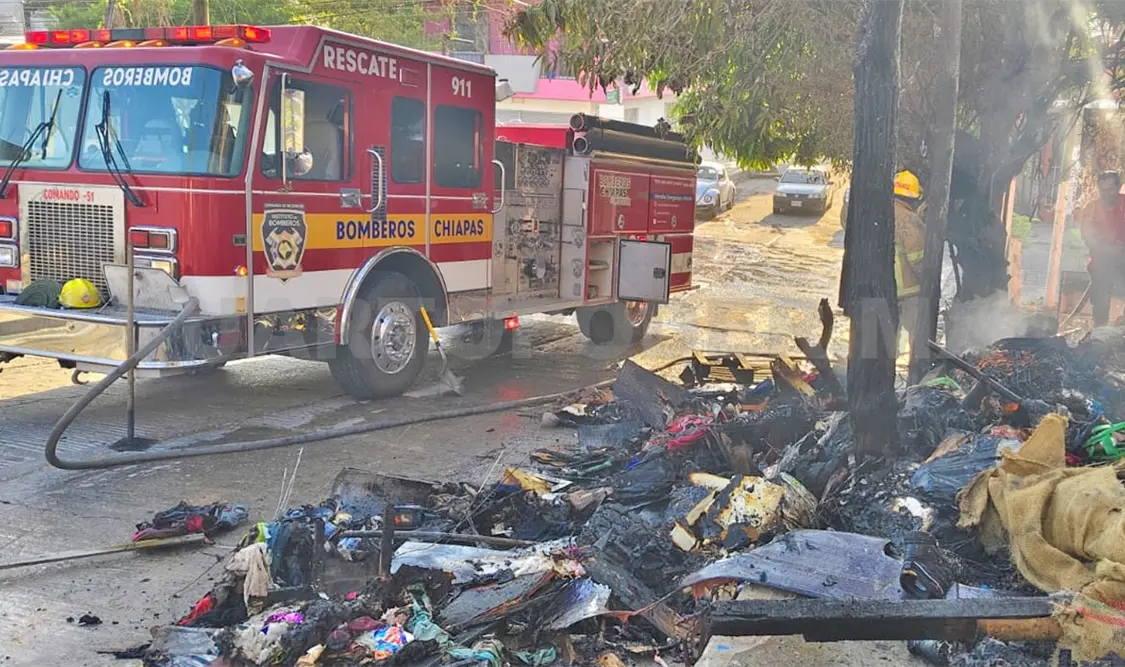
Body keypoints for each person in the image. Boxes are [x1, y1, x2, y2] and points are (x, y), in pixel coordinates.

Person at [1079, 171, 1125, 327]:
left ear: (1118, 187)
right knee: (1100, 299)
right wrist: (1105, 250)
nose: (1106, 194)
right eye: (1102, 190)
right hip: (1101, 260)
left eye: (1110, 189)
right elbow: (1087, 236)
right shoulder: (1091, 209)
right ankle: (1100, 331)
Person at [893, 170, 926, 357]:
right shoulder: (909, 220)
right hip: (909, 292)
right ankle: (915, 382)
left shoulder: (878, 212)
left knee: (885, 344)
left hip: (882, 291)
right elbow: (917, 258)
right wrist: (928, 282)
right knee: (917, 340)